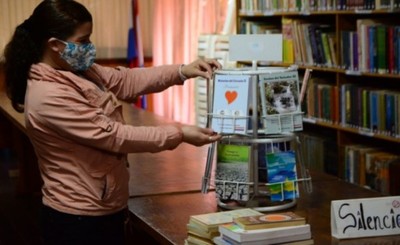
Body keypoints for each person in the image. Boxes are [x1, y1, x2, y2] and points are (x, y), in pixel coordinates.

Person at [3, 0, 222, 244]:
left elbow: (125, 80)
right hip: (79, 219)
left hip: (103, 206)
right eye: (83, 41)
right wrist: (179, 134)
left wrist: (182, 71)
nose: (90, 47)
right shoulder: (49, 95)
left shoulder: (75, 70)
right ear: (55, 45)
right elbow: (115, 136)